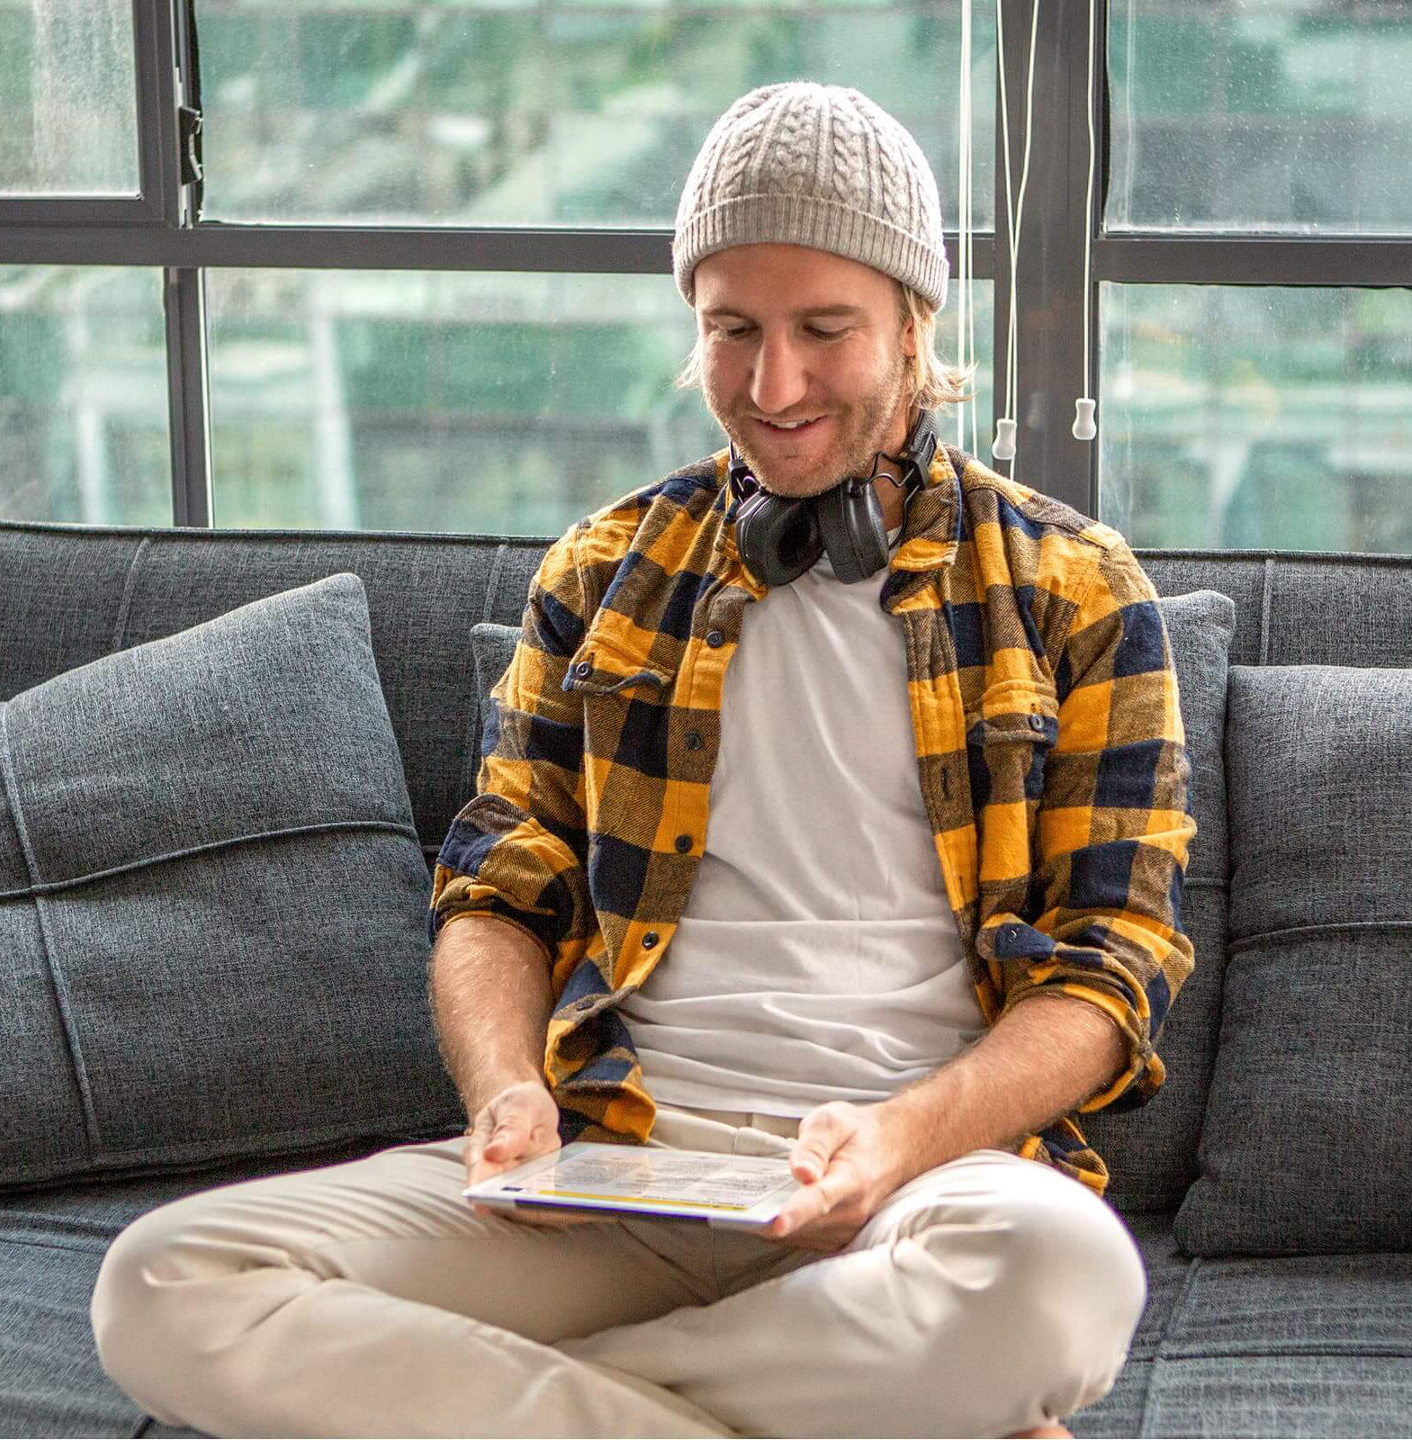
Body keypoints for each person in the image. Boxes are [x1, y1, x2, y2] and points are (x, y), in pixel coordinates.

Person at [90, 81, 1195, 1439]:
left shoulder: (1077, 588)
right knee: (167, 1282)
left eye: (823, 330)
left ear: (917, 326)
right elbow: (497, 887)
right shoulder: (608, 570)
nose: (771, 385)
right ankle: (857, 1407)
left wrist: (898, 1142)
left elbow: (1111, 969)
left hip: (916, 1188)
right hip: (617, 1171)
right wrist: (504, 1089)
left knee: (1062, 1279)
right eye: (732, 330)